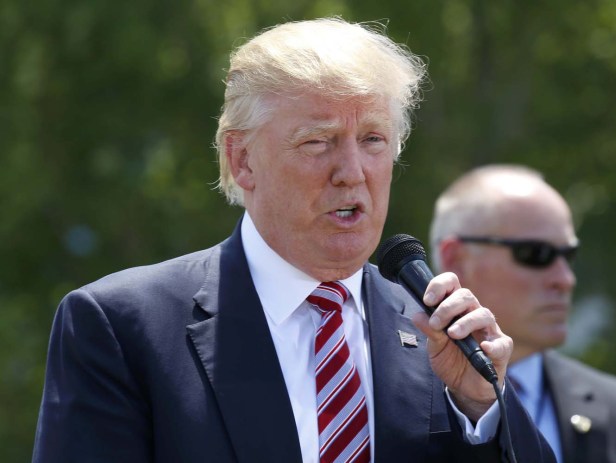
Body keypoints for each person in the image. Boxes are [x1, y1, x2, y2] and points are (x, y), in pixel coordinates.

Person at [33, 19, 554, 462]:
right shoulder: (122, 327)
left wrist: (482, 407)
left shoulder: (440, 334)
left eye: (373, 139)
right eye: (317, 142)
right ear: (242, 160)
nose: (351, 172)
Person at [429, 163, 616, 463]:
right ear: (457, 258)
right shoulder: (380, 401)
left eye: (568, 256)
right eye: (536, 254)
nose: (565, 280)